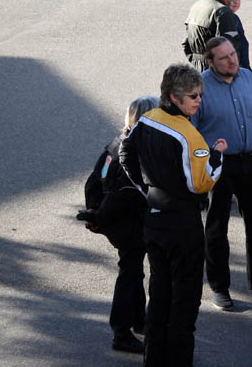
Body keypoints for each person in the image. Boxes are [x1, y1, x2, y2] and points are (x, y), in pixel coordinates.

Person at [119, 64, 227, 366]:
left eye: (200, 94)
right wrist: (217, 156)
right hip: (183, 227)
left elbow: (125, 152)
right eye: (193, 96)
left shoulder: (146, 120)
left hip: (154, 221)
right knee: (184, 305)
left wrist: (146, 189)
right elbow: (200, 183)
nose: (199, 100)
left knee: (158, 299)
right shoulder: (189, 136)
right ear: (173, 97)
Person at [192, 36, 252, 312]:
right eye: (224, 58)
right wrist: (211, 156)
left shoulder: (248, 77)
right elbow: (192, 131)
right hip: (220, 165)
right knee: (217, 228)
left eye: (233, 54)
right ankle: (220, 287)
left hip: (251, 161)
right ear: (210, 62)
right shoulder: (200, 87)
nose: (232, 60)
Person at [81, 95, 159, 354]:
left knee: (133, 269)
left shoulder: (117, 143)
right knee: (130, 272)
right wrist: (100, 217)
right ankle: (122, 332)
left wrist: (95, 212)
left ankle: (139, 320)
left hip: (116, 221)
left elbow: (94, 181)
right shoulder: (136, 150)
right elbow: (124, 195)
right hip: (129, 222)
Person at [183, 0, 251, 71]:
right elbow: (229, 51)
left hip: (199, 72)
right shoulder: (222, 12)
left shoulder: (196, 7)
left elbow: (186, 44)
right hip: (219, 75)